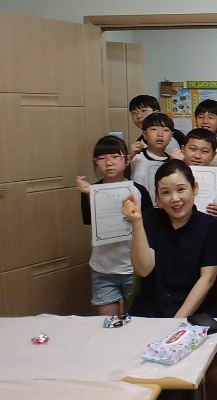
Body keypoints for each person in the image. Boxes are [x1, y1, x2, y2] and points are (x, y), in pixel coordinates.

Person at [122, 159, 217, 318]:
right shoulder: (149, 219)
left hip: (194, 315)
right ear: (157, 197)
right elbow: (143, 269)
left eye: (181, 189)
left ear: (195, 188)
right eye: (165, 192)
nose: (175, 198)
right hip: (150, 313)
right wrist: (137, 223)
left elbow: (207, 279)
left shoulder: (211, 226)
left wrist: (175, 322)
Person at [74, 135, 153, 316]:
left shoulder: (139, 190)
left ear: (127, 160)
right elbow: (91, 221)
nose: (108, 163)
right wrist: (89, 195)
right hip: (103, 267)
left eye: (115, 157)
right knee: (107, 323)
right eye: (101, 158)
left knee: (137, 319)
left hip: (133, 267)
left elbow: (149, 225)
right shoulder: (90, 190)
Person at [131, 112, 176, 207]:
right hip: (138, 210)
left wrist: (175, 163)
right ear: (144, 134)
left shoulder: (173, 161)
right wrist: (128, 156)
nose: (160, 134)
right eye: (154, 129)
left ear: (171, 136)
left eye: (165, 130)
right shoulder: (136, 157)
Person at [180, 128, 217, 218]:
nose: (197, 156)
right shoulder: (173, 175)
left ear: (213, 155)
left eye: (204, 151)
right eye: (192, 149)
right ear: (183, 149)